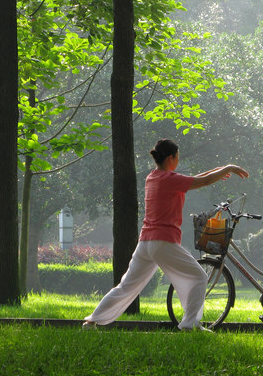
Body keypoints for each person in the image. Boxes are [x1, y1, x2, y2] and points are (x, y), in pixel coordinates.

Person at [83, 139, 248, 331]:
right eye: (177, 157)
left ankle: (91, 321)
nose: (178, 160)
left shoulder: (153, 177)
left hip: (145, 243)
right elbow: (202, 181)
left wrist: (220, 171)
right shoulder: (170, 180)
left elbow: (196, 178)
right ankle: (190, 324)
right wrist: (228, 167)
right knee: (200, 277)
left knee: (126, 286)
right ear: (171, 158)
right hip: (163, 242)